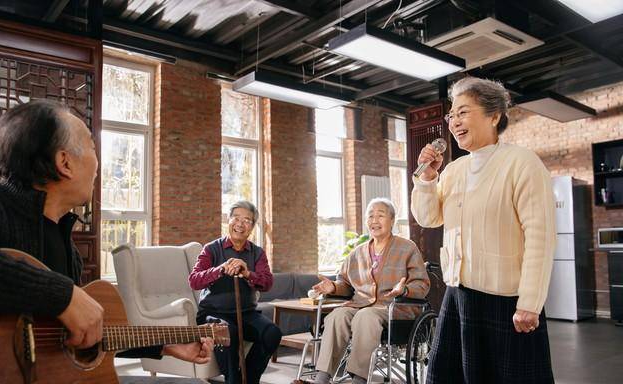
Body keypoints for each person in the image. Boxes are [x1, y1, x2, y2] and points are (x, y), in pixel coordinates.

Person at [0, 99, 212, 363]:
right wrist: (63, 295)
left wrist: (163, 346)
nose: (97, 164)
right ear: (64, 163)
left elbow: (75, 336)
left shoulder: (66, 247)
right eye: (92, 147)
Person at [410, 77, 556, 383]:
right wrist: (426, 180)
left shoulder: (522, 163)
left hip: (507, 301)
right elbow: (428, 218)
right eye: (452, 115)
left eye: (463, 112)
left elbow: (540, 238)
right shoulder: (453, 170)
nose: (454, 121)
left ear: (494, 115)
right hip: (458, 296)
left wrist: (530, 302)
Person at [295, 198, 430, 384]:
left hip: (394, 308)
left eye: (380, 215)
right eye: (371, 216)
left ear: (392, 220)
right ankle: (322, 378)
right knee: (337, 315)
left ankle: (359, 379)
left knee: (365, 317)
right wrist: (333, 287)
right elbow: (346, 283)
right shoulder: (357, 253)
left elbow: (422, 284)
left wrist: (404, 290)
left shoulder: (407, 248)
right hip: (360, 305)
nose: (374, 220)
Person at [188, 200, 282, 384]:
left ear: (252, 227)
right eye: (236, 218)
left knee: (272, 333)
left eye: (247, 220)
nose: (240, 224)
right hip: (213, 314)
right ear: (228, 220)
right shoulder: (211, 249)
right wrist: (220, 269)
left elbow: (267, 282)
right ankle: (234, 380)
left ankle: (249, 379)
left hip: (246, 314)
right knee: (227, 332)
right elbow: (194, 280)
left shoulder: (257, 253)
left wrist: (247, 273)